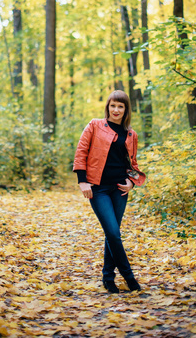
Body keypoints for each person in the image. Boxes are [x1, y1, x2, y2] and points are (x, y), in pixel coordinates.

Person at [73, 90, 146, 293]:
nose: (116, 110)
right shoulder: (95, 125)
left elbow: (132, 163)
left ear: (126, 110)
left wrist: (132, 182)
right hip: (98, 188)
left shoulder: (131, 135)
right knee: (113, 233)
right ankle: (130, 278)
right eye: (113, 105)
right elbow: (81, 152)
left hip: (120, 189)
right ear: (108, 107)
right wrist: (82, 181)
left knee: (111, 234)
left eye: (120, 106)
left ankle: (108, 278)